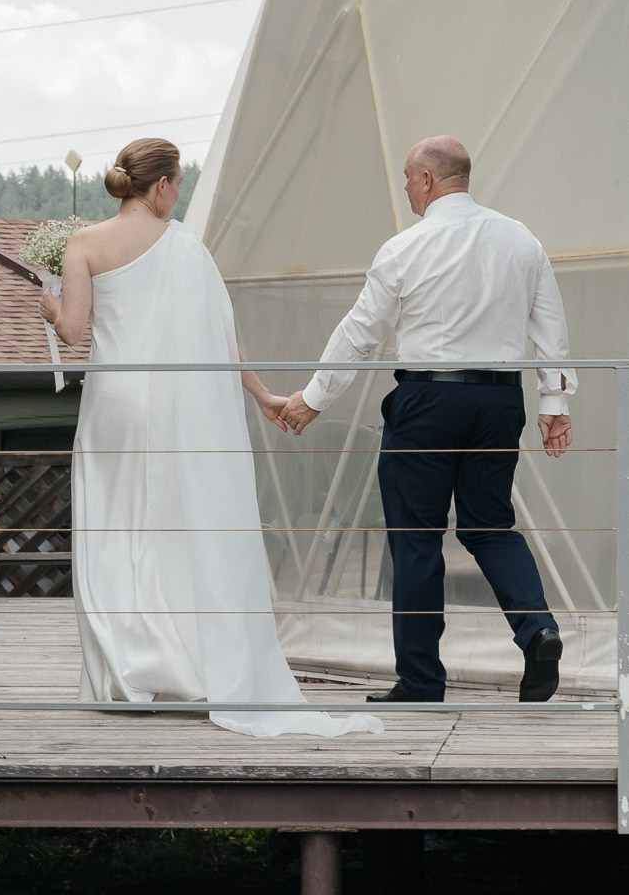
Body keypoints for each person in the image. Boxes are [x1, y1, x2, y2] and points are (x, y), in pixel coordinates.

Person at [41, 137, 380, 737]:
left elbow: (71, 331)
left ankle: (125, 670)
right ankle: (183, 660)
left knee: (115, 528)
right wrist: (263, 394)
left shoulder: (83, 244)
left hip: (114, 409)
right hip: (175, 411)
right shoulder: (186, 248)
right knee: (176, 527)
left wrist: (47, 304)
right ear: (165, 186)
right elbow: (220, 339)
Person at [280, 136, 573, 706]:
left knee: (416, 540)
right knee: (490, 527)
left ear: (428, 180)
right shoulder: (521, 239)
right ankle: (539, 630)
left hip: (428, 402)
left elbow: (360, 333)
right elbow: (551, 329)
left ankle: (420, 682)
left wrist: (313, 399)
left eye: (408, 178)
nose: (407, 189)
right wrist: (554, 407)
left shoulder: (404, 248)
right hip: (497, 402)